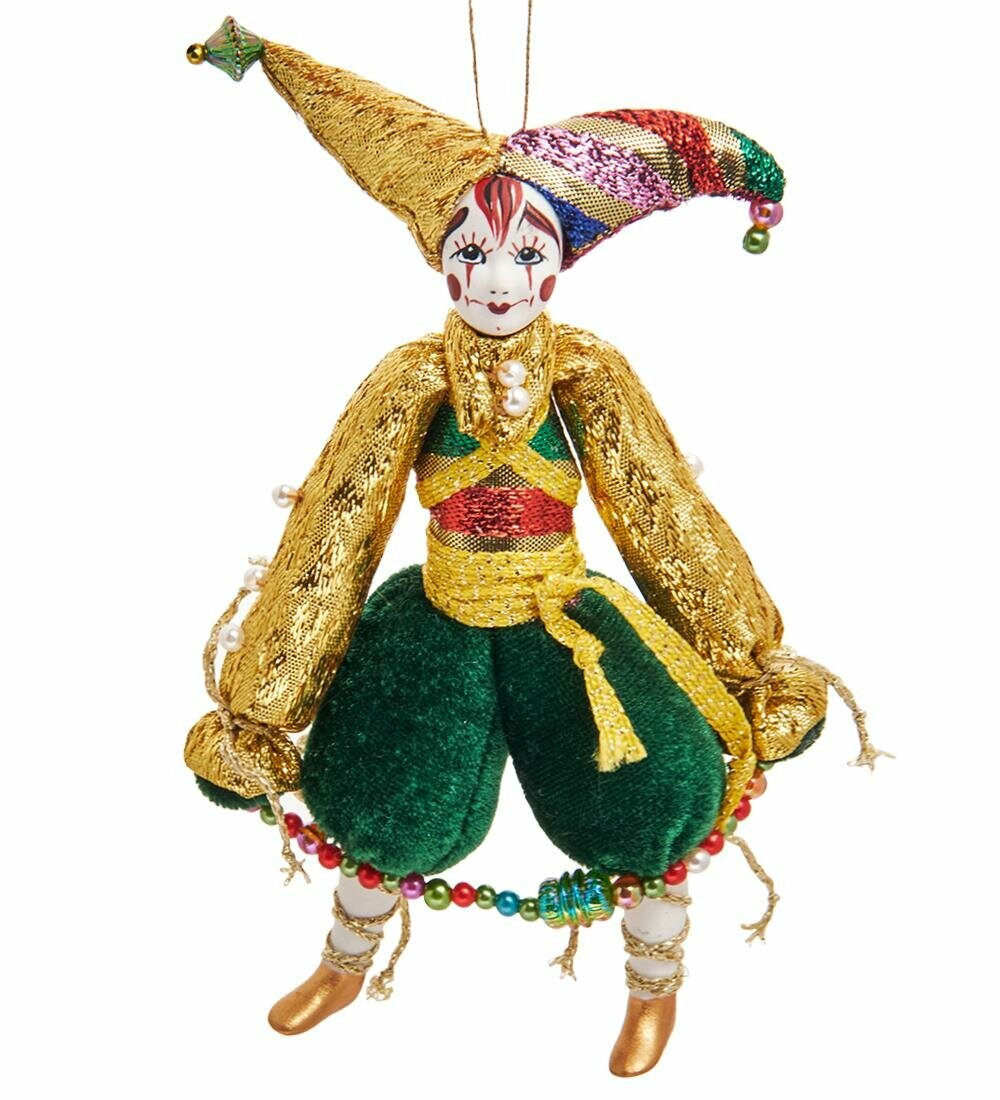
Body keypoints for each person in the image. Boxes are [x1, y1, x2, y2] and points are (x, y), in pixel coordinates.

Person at [184, 19, 854, 1077]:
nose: (497, 279)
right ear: (439, 257)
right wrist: (262, 706)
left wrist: (745, 660)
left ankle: (654, 982)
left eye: (526, 254)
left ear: (559, 264)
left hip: (563, 613)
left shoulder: (587, 372)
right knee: (381, 797)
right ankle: (345, 962)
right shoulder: (411, 378)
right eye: (472, 252)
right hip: (439, 611)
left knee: (653, 792)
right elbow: (335, 528)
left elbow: (660, 506)